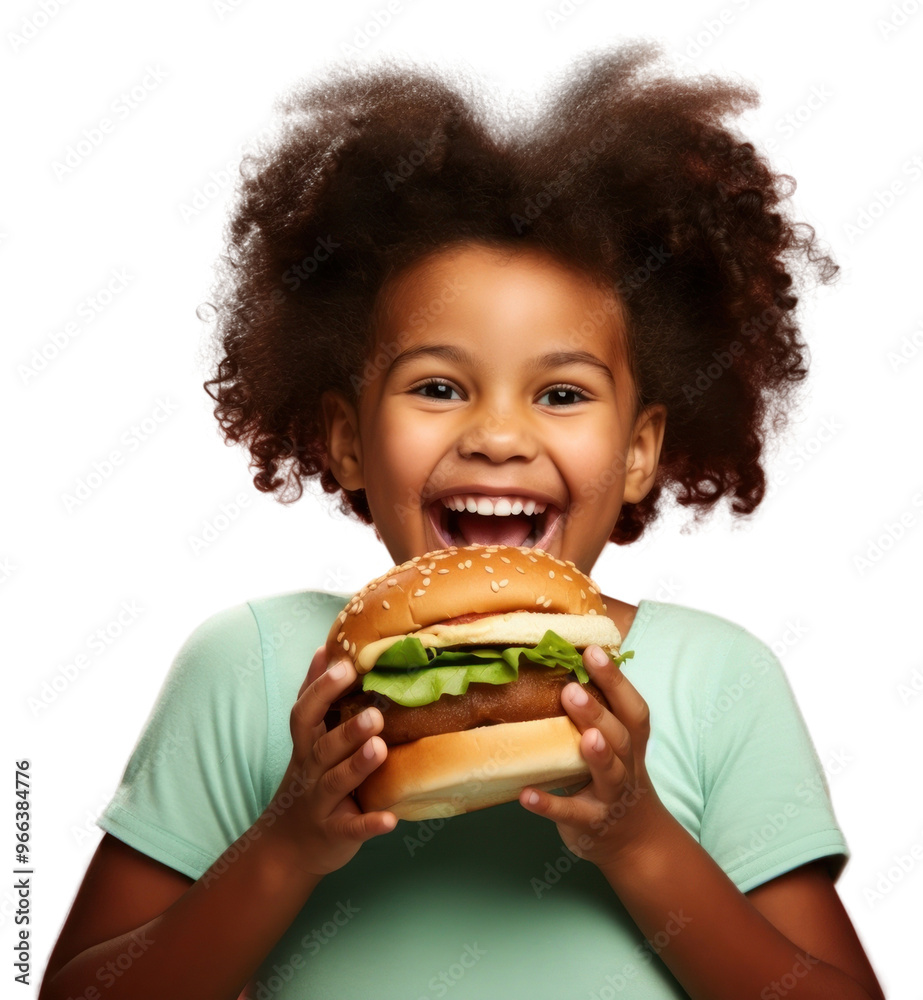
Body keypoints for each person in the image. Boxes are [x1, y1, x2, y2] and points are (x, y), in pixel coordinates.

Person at [40, 43, 886, 1000]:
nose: (495, 435)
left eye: (561, 393)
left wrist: (641, 841)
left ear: (641, 451)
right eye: (438, 387)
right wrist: (286, 845)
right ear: (348, 439)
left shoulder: (716, 680)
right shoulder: (251, 666)